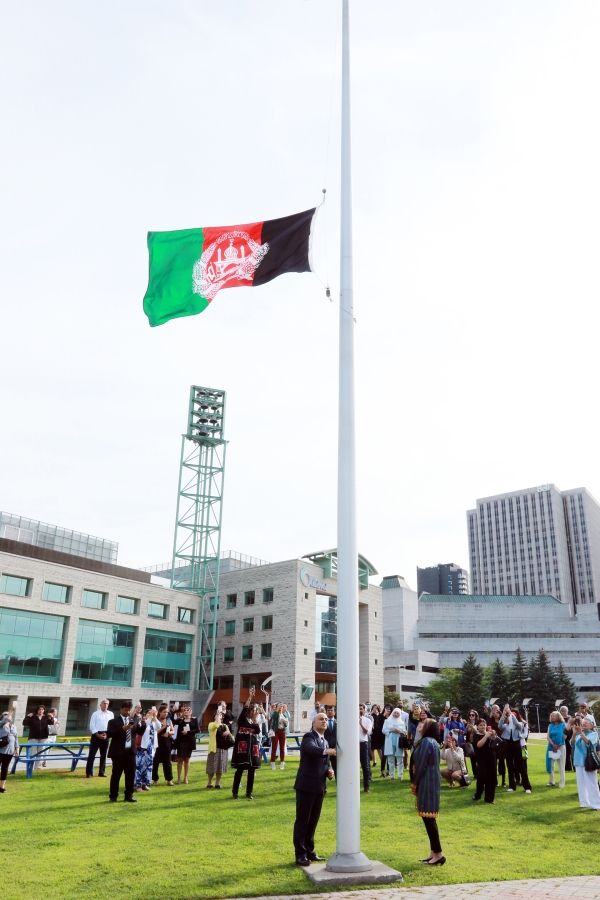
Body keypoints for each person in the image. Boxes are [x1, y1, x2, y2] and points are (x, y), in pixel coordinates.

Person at [293, 711, 336, 866]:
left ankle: (310, 852)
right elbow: (312, 750)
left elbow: (324, 762)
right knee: (303, 821)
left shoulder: (325, 741)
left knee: (313, 822)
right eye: (320, 719)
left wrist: (328, 771)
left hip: (319, 787)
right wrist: (327, 751)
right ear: (314, 723)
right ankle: (300, 854)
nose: (324, 721)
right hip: (306, 786)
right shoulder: (309, 737)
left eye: (325, 719)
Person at [411, 719, 445, 866]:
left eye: (423, 723)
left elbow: (420, 765)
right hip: (430, 781)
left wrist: (414, 783)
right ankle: (434, 852)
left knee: (429, 820)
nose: (420, 724)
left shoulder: (426, 742)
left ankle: (438, 854)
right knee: (428, 820)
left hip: (427, 782)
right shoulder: (431, 742)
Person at [107, 702, 143, 803]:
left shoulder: (133, 720)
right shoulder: (113, 721)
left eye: (129, 710)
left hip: (130, 752)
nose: (127, 712)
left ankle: (129, 795)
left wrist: (143, 723)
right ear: (121, 709)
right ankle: (113, 796)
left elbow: (140, 732)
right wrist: (122, 729)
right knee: (116, 775)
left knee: (130, 775)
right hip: (118, 752)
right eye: (125, 710)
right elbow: (109, 733)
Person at [231, 688, 262, 799]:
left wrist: (255, 722)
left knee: (251, 770)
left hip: (252, 748)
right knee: (240, 769)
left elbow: (257, 732)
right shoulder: (243, 719)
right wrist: (250, 697)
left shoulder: (254, 722)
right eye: (253, 710)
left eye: (256, 711)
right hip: (243, 748)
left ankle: (249, 792)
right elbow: (245, 709)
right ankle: (235, 792)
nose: (255, 712)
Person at [571, 715, 600, 810]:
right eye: (582, 723)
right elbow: (572, 744)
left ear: (591, 726)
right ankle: (584, 803)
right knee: (581, 783)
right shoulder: (579, 733)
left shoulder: (593, 734)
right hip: (578, 761)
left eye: (585, 723)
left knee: (592, 783)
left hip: (588, 761)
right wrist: (575, 733)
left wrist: (580, 732)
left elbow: (589, 743)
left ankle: (596, 804)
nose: (583, 725)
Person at [499, 705, 529, 793]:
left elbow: (519, 726)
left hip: (516, 745)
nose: (511, 717)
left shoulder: (520, 724)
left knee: (521, 766)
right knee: (509, 766)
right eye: (510, 716)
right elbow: (500, 726)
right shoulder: (506, 725)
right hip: (508, 745)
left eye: (514, 715)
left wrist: (511, 715)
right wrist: (503, 715)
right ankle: (512, 785)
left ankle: (527, 786)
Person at [86, 699, 114, 778]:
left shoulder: (110, 714)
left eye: (107, 704)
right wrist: (97, 734)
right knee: (92, 754)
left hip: (106, 734)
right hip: (96, 735)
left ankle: (101, 772)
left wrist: (107, 734)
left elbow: (111, 725)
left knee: (103, 754)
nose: (106, 705)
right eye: (104, 703)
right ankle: (89, 772)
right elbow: (92, 725)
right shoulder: (95, 714)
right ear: (100, 705)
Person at [22, 705, 55, 770]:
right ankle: (30, 766)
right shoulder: (33, 717)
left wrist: (52, 717)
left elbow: (51, 723)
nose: (41, 711)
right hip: (33, 737)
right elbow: (24, 723)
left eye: (42, 709)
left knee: (40, 753)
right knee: (32, 752)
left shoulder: (45, 717)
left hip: (43, 737)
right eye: (39, 709)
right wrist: (27, 716)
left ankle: (37, 767)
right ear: (37, 710)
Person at [473, 719, 497, 803]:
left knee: (491, 778)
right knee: (482, 778)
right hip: (482, 758)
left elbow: (495, 743)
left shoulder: (489, 733)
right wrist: (486, 736)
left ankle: (489, 798)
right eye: (481, 725)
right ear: (477, 726)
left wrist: (493, 736)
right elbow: (478, 745)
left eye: (484, 725)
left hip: (491, 756)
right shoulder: (476, 735)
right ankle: (478, 794)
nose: (483, 727)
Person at [135, 707, 158, 792]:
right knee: (140, 766)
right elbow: (144, 728)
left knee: (148, 766)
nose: (151, 715)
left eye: (151, 713)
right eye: (149, 713)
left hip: (151, 748)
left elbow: (159, 726)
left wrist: (155, 717)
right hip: (142, 747)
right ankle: (138, 785)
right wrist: (150, 717)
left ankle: (145, 783)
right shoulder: (142, 723)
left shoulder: (154, 723)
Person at [206, 710, 232, 789]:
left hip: (223, 749)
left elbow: (230, 736)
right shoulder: (211, 724)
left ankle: (217, 783)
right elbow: (216, 726)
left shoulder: (225, 725)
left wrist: (228, 732)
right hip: (214, 748)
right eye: (217, 715)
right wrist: (217, 716)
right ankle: (209, 782)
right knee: (212, 766)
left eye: (221, 715)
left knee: (220, 766)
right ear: (214, 717)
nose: (219, 716)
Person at [175, 703, 199, 784]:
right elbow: (172, 720)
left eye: (187, 710)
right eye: (184, 710)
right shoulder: (181, 720)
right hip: (181, 742)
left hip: (189, 742)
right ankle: (178, 778)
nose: (186, 711)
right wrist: (175, 710)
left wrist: (188, 732)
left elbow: (197, 730)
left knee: (187, 760)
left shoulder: (194, 720)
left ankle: (185, 777)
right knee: (180, 760)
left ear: (191, 712)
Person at [152, 704, 174, 786]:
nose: (166, 714)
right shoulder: (155, 721)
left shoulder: (168, 721)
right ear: (160, 712)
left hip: (166, 743)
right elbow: (154, 732)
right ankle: (155, 780)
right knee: (155, 761)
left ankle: (169, 779)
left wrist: (168, 733)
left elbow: (173, 731)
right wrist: (163, 727)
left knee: (167, 761)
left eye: (167, 712)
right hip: (157, 743)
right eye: (164, 712)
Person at [382, 707, 407, 780]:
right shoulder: (387, 721)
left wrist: (400, 732)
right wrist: (392, 730)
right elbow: (383, 730)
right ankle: (391, 776)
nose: (396, 714)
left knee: (399, 759)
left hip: (399, 742)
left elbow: (405, 732)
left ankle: (400, 775)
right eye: (395, 713)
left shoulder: (402, 723)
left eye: (398, 713)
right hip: (390, 742)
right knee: (390, 760)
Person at [0, 708, 19, 793]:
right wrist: (11, 710)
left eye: (8, 715)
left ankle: (2, 787)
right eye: (5, 714)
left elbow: (16, 738)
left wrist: (17, 748)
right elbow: (5, 720)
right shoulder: (1, 724)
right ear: (2, 717)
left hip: (10, 751)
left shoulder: (14, 726)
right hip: (1, 750)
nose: (8, 716)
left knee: (5, 768)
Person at [546, 710, 566, 788]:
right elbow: (548, 736)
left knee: (561, 765)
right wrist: (553, 745)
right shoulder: (550, 726)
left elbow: (564, 736)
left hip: (561, 746)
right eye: (552, 716)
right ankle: (551, 781)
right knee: (550, 765)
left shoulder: (563, 725)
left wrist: (558, 745)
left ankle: (562, 783)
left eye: (554, 715)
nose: (552, 717)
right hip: (551, 746)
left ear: (558, 716)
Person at [270, 702, 289, 770]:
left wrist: (284, 722)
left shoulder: (284, 714)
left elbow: (286, 724)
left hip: (282, 731)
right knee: (274, 748)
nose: (280, 708)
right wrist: (277, 710)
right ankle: (273, 762)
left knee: (282, 748)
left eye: (281, 707)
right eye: (279, 706)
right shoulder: (275, 713)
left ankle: (282, 762)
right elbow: (273, 717)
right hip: (276, 731)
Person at [359, 703, 373, 793]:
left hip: (363, 744)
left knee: (365, 766)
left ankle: (366, 786)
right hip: (353, 745)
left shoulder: (367, 720)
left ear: (364, 710)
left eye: (361, 709)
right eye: (358, 709)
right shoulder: (351, 719)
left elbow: (367, 732)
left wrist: (360, 724)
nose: (360, 710)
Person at [371, 704, 386, 773]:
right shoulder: (371, 715)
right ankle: (374, 761)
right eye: (374, 708)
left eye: (376, 708)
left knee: (379, 749)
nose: (375, 709)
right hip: (373, 733)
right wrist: (371, 714)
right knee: (372, 748)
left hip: (378, 733)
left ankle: (382, 761)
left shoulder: (380, 715)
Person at [324, 705, 337, 777]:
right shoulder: (324, 722)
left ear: (334, 712)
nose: (330, 712)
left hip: (335, 749)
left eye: (331, 710)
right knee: (325, 768)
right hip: (326, 748)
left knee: (337, 769)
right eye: (328, 710)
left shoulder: (338, 723)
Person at [562, 706, 574, 772]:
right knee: (566, 753)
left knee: (572, 753)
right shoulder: (560, 719)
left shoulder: (571, 718)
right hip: (564, 738)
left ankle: (574, 767)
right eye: (562, 711)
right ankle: (568, 767)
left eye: (565, 711)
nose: (564, 712)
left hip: (571, 737)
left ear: (567, 711)